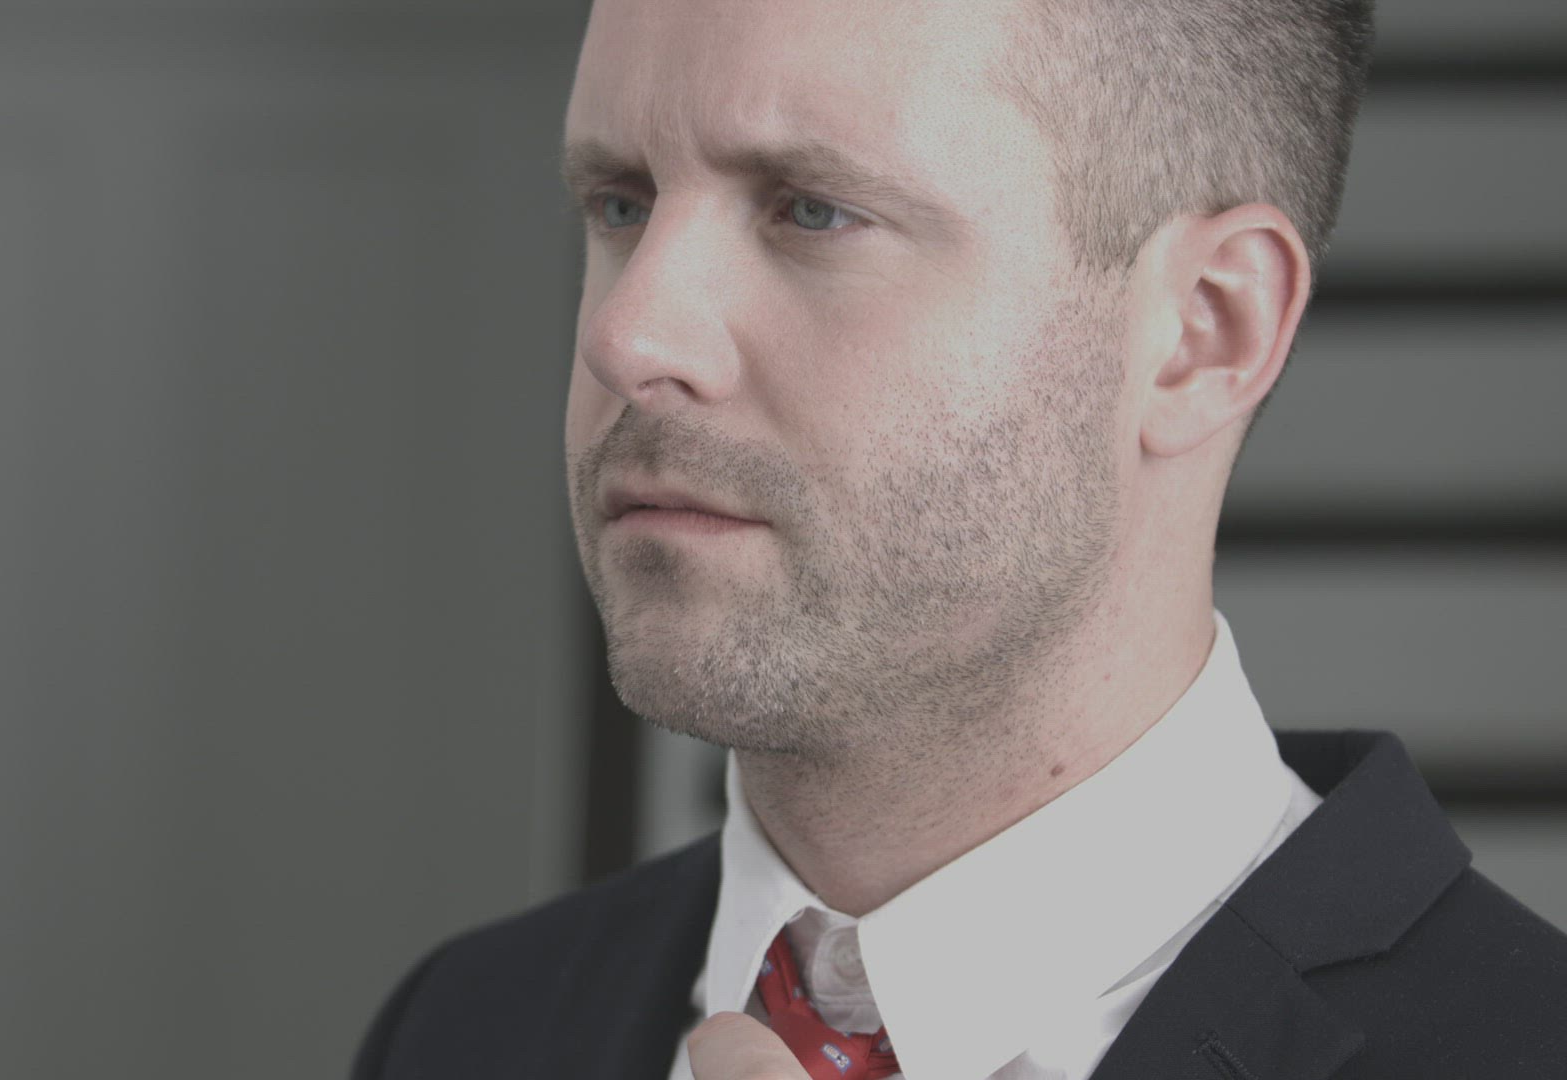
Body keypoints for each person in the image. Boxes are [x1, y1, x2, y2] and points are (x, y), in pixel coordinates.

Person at [351, 0, 1567, 1076]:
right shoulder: (463, 1030)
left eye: (813, 211)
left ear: (1204, 332)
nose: (627, 335)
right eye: (621, 202)